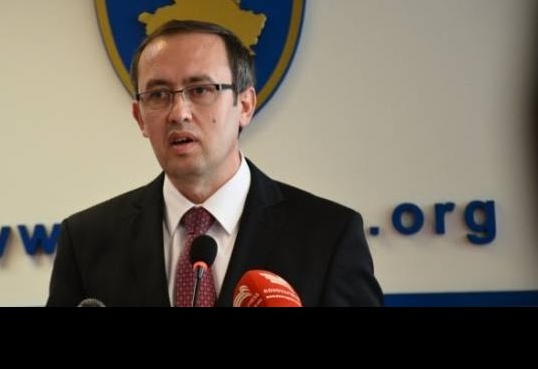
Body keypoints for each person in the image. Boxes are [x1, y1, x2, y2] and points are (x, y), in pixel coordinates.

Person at [46, 19, 383, 306]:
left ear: (245, 105)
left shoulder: (327, 236)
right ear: (140, 118)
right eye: (158, 94)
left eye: (201, 89)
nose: (179, 113)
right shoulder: (87, 240)